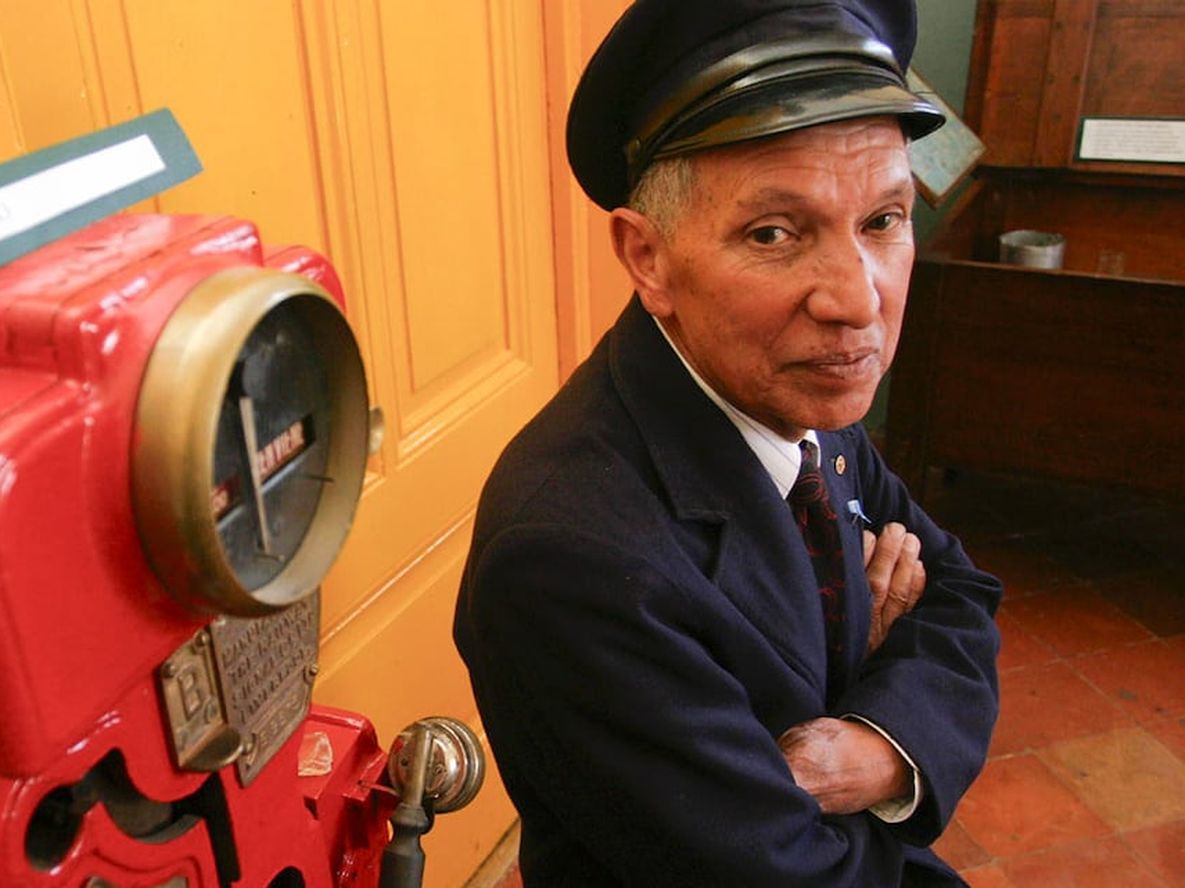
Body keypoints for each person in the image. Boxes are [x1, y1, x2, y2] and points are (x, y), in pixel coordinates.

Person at [454, 1, 1001, 885]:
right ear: (648, 258)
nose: (856, 301)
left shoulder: (792, 380)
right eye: (774, 234)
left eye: (882, 221)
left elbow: (959, 593)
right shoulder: (572, 556)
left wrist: (883, 748)